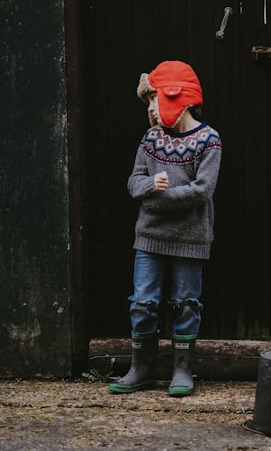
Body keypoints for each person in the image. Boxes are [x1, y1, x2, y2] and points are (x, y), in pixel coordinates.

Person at [108, 60, 222, 397]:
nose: (152, 110)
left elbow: (203, 191)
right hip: (150, 237)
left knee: (186, 301)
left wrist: (159, 198)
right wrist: (148, 188)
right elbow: (133, 183)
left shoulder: (208, 140)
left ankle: (182, 370)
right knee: (142, 301)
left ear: (178, 97)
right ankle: (141, 369)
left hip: (190, 237)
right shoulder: (150, 139)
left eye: (154, 100)